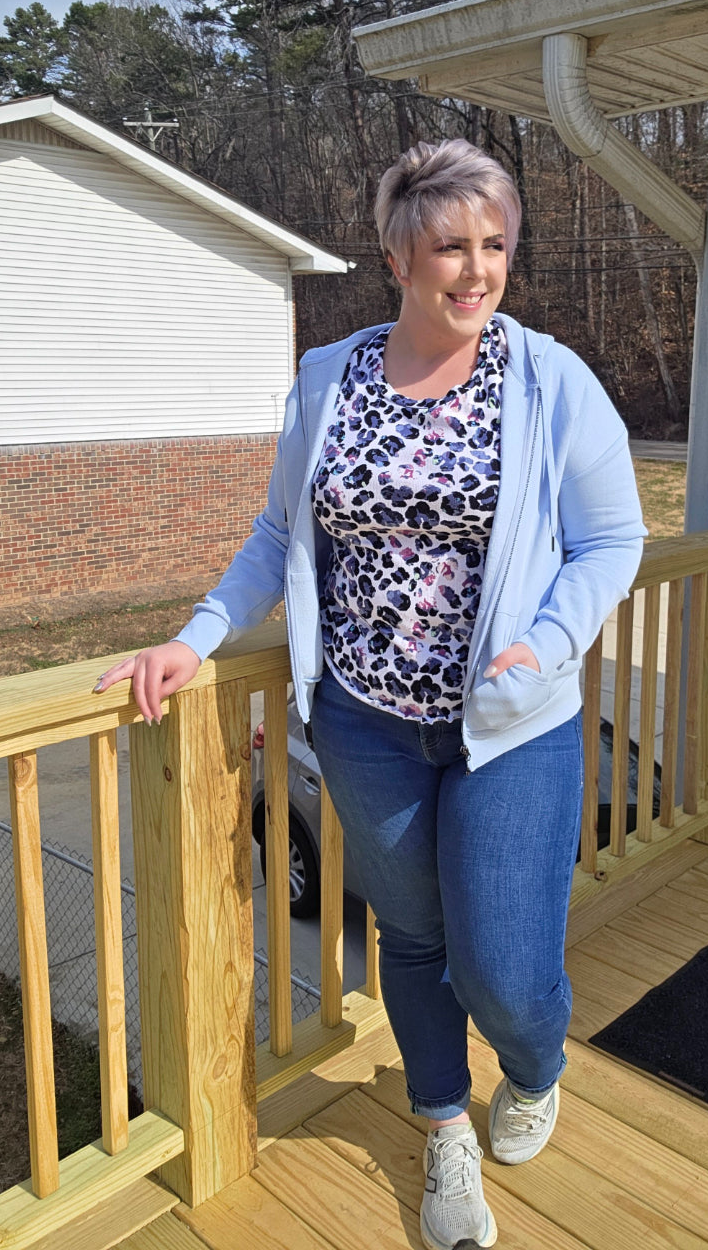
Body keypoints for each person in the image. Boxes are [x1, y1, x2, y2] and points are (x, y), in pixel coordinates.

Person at [94, 138, 648, 1250]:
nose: (479, 270)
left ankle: (535, 1065)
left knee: (507, 969)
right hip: (364, 722)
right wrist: (197, 638)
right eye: (453, 246)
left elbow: (612, 540)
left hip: (513, 725)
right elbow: (276, 534)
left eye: (497, 244)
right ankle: (442, 1126)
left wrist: (543, 645)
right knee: (412, 937)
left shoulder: (549, 381)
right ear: (399, 255)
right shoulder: (326, 378)